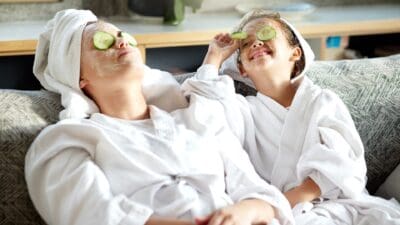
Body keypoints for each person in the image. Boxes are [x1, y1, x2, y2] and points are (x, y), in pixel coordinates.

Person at [24, 9, 295, 225]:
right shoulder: (68, 139)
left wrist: (248, 210)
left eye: (123, 35)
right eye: (102, 41)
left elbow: (259, 191)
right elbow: (89, 214)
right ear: (79, 77)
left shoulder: (196, 119)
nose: (121, 41)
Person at [182, 10, 400, 225]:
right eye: (246, 43)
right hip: (270, 213)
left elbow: (342, 164)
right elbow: (203, 110)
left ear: (295, 53)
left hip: (334, 207)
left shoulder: (321, 102)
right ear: (242, 68)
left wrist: (274, 206)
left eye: (266, 34)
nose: (256, 43)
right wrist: (214, 58)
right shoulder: (242, 111)